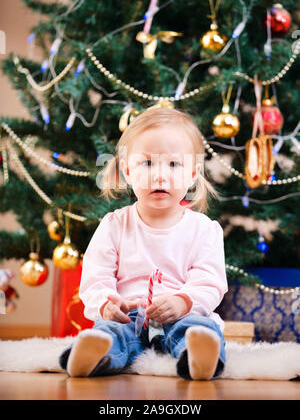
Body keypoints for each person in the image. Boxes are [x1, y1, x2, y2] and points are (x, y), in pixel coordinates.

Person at [58, 106, 228, 380]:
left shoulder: (204, 230)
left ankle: (197, 357)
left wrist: (184, 302)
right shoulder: (114, 225)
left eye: (173, 164)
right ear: (127, 170)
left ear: (193, 173)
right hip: (128, 317)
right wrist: (106, 304)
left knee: (199, 327)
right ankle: (92, 356)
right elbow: (95, 276)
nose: (159, 175)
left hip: (181, 314)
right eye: (147, 163)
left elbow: (209, 281)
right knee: (110, 332)